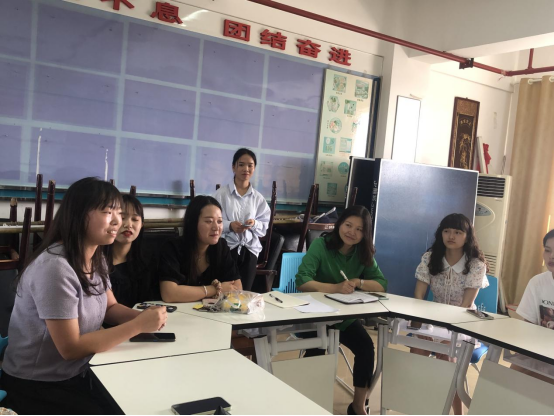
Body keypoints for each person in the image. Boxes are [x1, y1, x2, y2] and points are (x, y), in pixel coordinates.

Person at [0, 178, 167, 415]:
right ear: (79, 214)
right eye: (108, 212)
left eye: (119, 213)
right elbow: (70, 348)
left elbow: (110, 308)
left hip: (81, 371)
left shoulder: (96, 258)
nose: (117, 221)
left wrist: (146, 318)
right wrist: (138, 325)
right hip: (37, 384)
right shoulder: (55, 268)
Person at [295, 205, 388, 416]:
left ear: (365, 234)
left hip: (343, 317)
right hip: (315, 315)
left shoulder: (363, 252)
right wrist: (335, 288)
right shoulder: (321, 245)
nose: (352, 232)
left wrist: (359, 281)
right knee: (318, 349)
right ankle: (308, 404)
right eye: (348, 225)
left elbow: (381, 284)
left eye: (359, 229)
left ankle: (357, 406)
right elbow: (302, 281)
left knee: (366, 347)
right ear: (339, 224)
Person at [411, 213, 488, 415]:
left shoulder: (476, 265)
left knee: (446, 354)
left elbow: (466, 305)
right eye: (446, 231)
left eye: (457, 232)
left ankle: (457, 412)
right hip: (434, 320)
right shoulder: (430, 258)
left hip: (463, 323)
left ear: (467, 236)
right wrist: (423, 326)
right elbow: (419, 296)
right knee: (417, 349)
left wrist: (444, 333)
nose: (451, 236)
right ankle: (415, 406)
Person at [159, 196, 242, 303]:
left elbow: (237, 288)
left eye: (219, 221)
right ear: (192, 223)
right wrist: (215, 289)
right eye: (209, 221)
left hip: (210, 312)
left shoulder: (221, 247)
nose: (216, 227)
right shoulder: (172, 247)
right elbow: (169, 294)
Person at [214, 148, 271, 291]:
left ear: (254, 168)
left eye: (250, 165)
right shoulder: (221, 195)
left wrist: (254, 224)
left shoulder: (258, 198)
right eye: (241, 165)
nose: (246, 169)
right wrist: (230, 225)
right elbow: (213, 222)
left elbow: (264, 226)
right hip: (227, 249)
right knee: (226, 292)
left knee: (245, 293)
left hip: (250, 249)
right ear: (233, 167)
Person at [512, 229, 554, 385]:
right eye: (547, 250)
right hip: (539, 350)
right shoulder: (537, 282)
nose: (552, 256)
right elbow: (527, 326)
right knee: (509, 378)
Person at [106, 195, 160, 308]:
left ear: (142, 225)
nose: (128, 225)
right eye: (122, 217)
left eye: (135, 219)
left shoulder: (148, 261)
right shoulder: (97, 262)